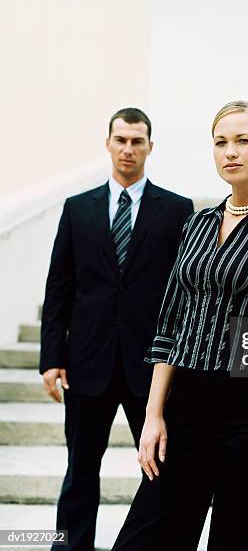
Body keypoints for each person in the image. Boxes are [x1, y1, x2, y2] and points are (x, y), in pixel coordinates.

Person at [112, 101, 248, 551]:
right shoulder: (197, 224)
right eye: (221, 142)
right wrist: (153, 416)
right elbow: (170, 324)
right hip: (186, 401)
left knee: (237, 539)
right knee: (147, 537)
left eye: (243, 141)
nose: (230, 151)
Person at [39, 108, 194, 550]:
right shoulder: (77, 209)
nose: (128, 149)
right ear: (108, 143)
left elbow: (182, 291)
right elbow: (60, 287)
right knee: (81, 467)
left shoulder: (177, 210)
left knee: (162, 463)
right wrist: (52, 357)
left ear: (150, 146)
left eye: (137, 141)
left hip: (150, 364)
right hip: (88, 363)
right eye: (121, 140)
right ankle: (69, 545)